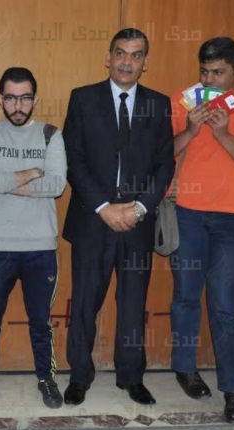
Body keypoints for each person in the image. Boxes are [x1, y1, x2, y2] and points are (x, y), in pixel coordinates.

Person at [168, 37, 234, 423]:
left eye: (218, 72)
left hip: (233, 218)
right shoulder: (184, 102)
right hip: (187, 213)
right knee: (185, 295)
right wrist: (191, 130)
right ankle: (185, 369)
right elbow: (161, 155)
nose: (210, 80)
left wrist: (224, 135)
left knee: (225, 302)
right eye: (204, 72)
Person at [62, 28, 174, 406]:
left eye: (136, 55)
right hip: (93, 220)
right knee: (84, 304)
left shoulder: (158, 104)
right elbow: (73, 159)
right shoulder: (83, 98)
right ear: (108, 57)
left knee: (132, 304)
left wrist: (140, 208)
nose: (127, 61)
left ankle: (131, 376)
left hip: (137, 223)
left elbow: (165, 164)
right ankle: (79, 375)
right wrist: (103, 207)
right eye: (121, 53)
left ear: (145, 62)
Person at [0, 67, 67, 410]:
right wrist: (32, 173)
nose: (18, 105)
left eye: (25, 98)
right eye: (11, 98)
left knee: (41, 322)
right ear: (1, 99)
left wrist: (5, 180)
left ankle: (46, 379)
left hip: (41, 247)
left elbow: (56, 185)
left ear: (35, 98)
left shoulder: (51, 135)